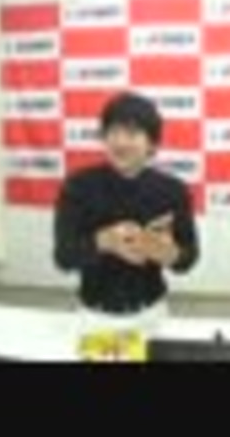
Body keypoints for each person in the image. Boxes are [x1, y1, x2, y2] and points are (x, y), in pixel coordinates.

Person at [54, 92, 199, 317]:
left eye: (132, 134)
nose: (120, 143)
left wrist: (168, 253)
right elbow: (63, 257)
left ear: (152, 144)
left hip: (151, 312)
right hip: (94, 314)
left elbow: (188, 258)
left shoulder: (173, 191)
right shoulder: (78, 186)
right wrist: (103, 241)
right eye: (113, 132)